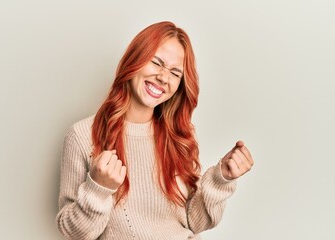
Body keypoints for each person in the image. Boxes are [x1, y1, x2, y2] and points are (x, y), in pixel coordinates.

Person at [55, 21, 254, 240]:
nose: (163, 77)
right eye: (157, 63)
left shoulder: (178, 137)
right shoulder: (82, 136)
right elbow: (74, 233)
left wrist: (221, 178)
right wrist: (98, 188)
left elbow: (194, 223)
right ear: (134, 60)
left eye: (175, 73)